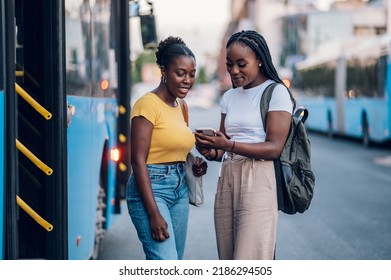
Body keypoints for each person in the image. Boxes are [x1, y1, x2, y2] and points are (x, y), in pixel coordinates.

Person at [195, 30, 294, 260]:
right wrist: (211, 150)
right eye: (230, 64)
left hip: (259, 177)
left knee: (250, 258)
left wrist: (228, 146)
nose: (234, 71)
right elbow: (224, 146)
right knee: (228, 258)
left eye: (242, 64)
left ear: (259, 60)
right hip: (227, 177)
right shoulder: (229, 97)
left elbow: (274, 148)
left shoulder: (276, 92)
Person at [127, 36, 207, 260]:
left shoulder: (182, 106)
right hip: (151, 190)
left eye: (192, 74)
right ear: (163, 71)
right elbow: (138, 161)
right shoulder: (147, 104)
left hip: (180, 190)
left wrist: (194, 164)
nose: (187, 80)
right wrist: (153, 213)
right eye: (180, 73)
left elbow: (175, 145)